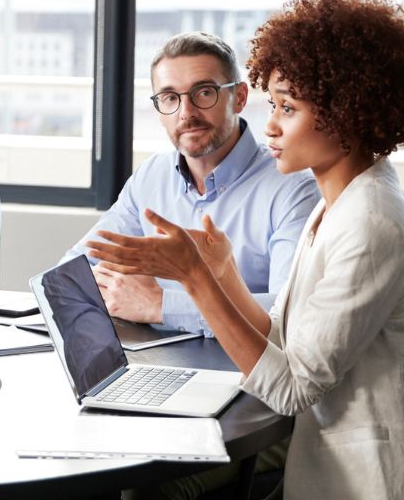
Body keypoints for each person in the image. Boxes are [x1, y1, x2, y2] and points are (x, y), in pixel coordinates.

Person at [88, 0, 404, 498]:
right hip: (330, 468)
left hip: (377, 480)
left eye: (288, 107)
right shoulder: (339, 204)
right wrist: (224, 274)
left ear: (346, 114)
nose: (271, 127)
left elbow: (290, 388)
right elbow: (285, 332)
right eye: (274, 105)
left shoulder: (372, 222)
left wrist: (197, 282)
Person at [62, 32, 317, 337]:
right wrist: (111, 290)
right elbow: (73, 270)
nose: (186, 113)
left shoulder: (293, 189)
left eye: (204, 92)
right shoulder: (151, 177)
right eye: (170, 98)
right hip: (157, 363)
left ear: (239, 97)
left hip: (248, 374)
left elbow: (287, 315)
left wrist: (161, 306)